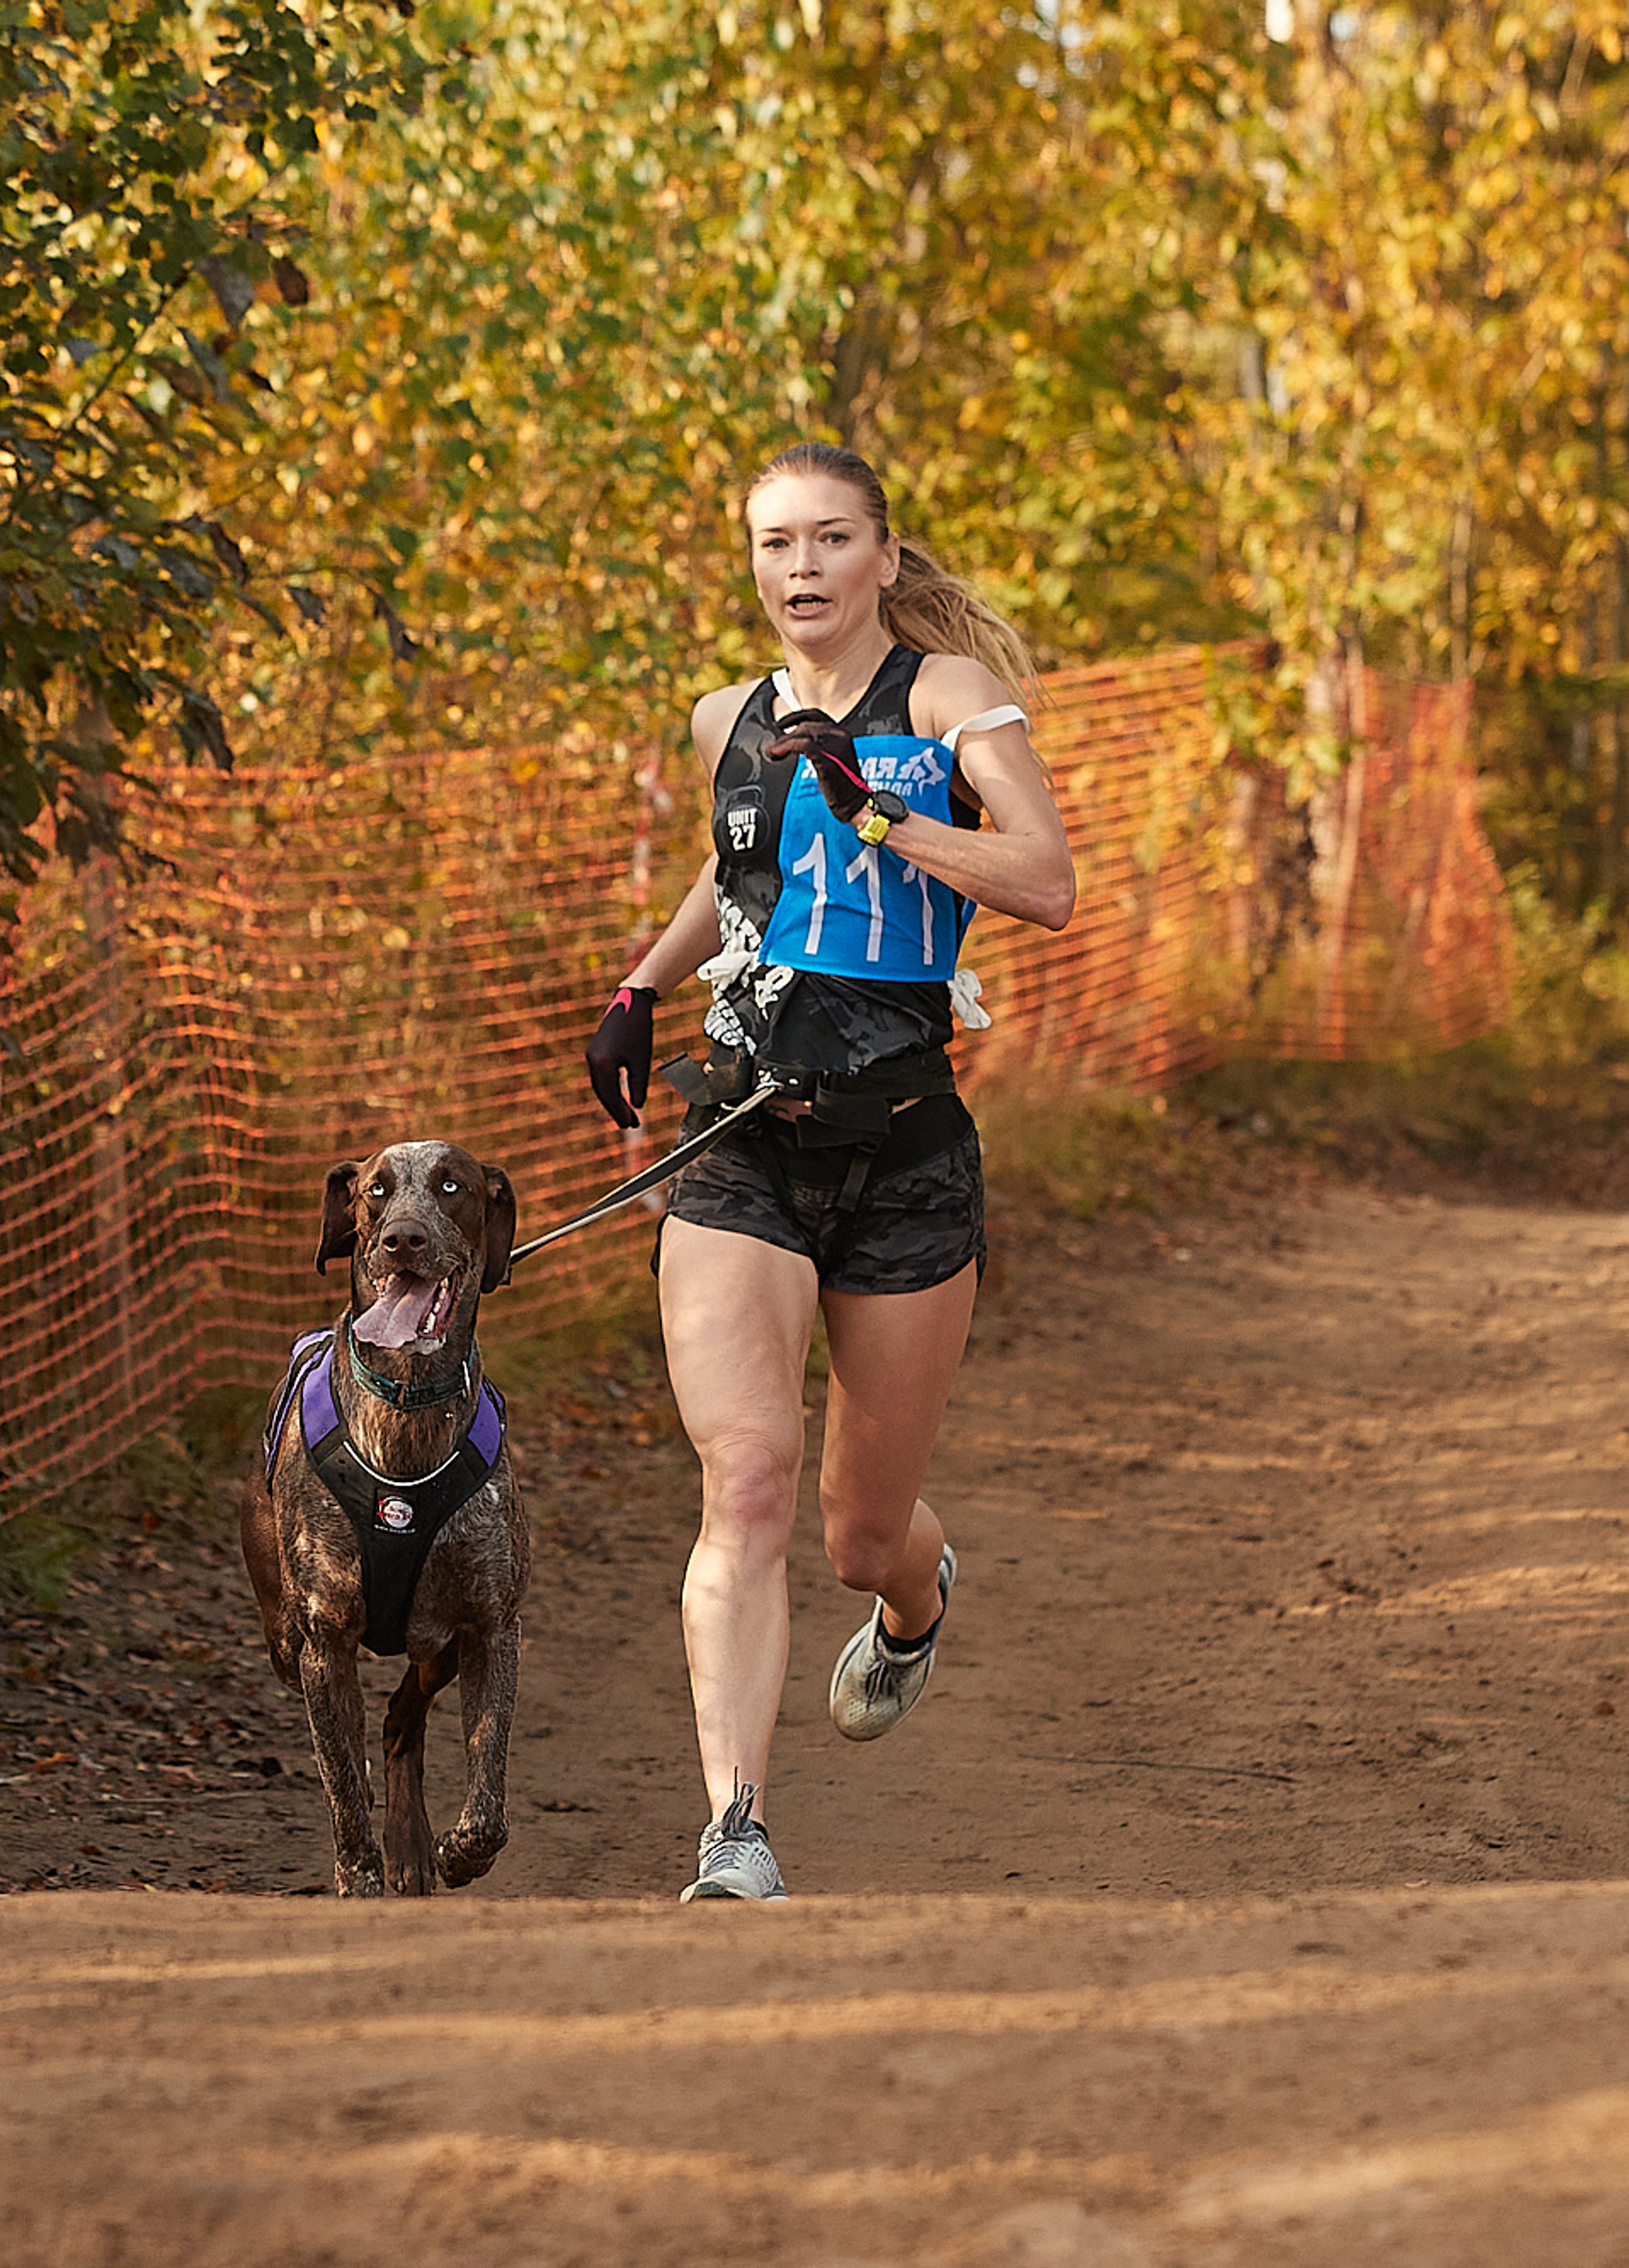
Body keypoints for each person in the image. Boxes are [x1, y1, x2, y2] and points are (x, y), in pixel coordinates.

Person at [583, 442, 1074, 1902]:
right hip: (745, 1135)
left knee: (859, 1536)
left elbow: (1046, 881)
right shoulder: (725, 715)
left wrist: (887, 817)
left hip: (908, 1149)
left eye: (828, 541)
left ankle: (919, 1599)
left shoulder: (945, 703)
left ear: (881, 551)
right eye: (773, 544)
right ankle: (735, 1829)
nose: (799, 570)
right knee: (747, 1478)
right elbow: (744, 874)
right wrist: (640, 988)